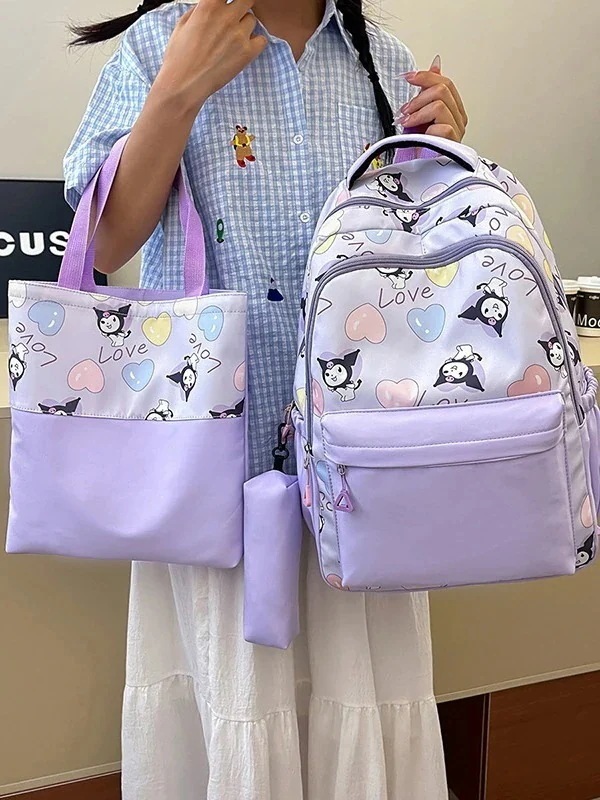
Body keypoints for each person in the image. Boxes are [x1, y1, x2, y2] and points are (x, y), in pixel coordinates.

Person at [65, 1, 468, 797]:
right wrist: (178, 90)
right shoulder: (163, 41)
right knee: (235, 701)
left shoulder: (381, 59)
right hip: (216, 469)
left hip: (364, 465)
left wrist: (445, 156)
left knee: (363, 689)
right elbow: (105, 241)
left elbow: (418, 254)